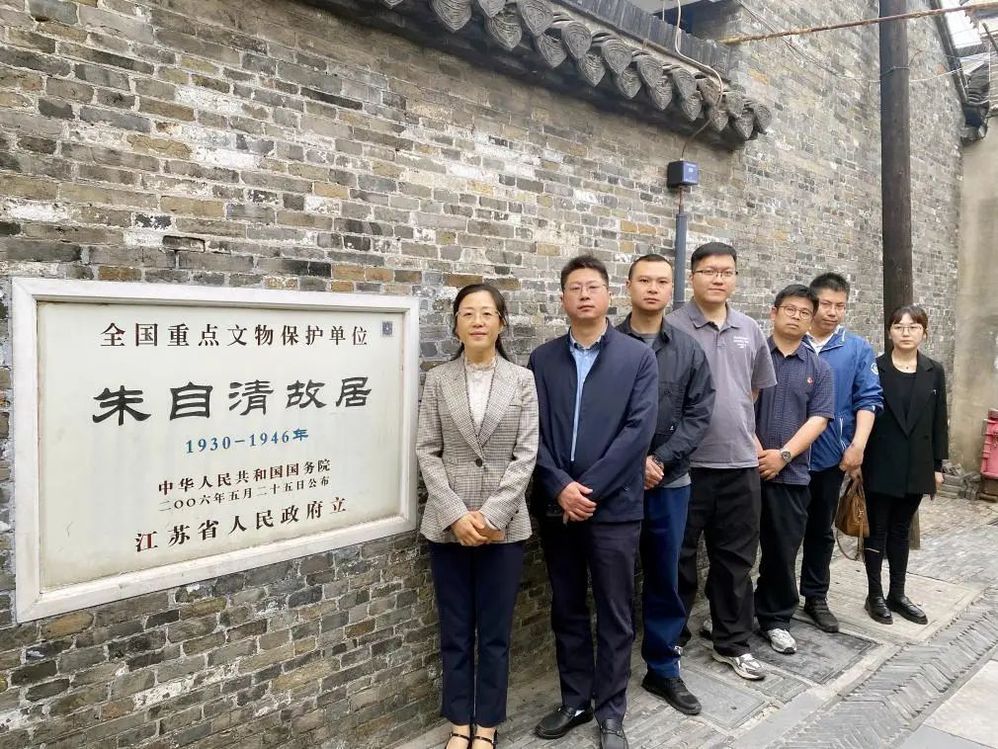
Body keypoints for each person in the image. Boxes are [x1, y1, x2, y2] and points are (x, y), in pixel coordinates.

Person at [529, 255, 658, 749]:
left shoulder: (637, 358)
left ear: (609, 294)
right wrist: (559, 485)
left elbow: (638, 431)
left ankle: (611, 711)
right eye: (575, 288)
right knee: (566, 607)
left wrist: (588, 490)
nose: (584, 295)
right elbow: (532, 433)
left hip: (615, 509)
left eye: (593, 287)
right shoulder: (542, 359)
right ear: (563, 298)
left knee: (615, 611)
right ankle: (575, 700)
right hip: (558, 508)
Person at [416, 283, 540, 749]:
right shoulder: (438, 379)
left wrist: (491, 516)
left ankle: (486, 725)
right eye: (467, 313)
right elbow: (427, 451)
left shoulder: (522, 380)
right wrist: (454, 514)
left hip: (503, 527)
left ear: (501, 322)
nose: (478, 321)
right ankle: (458, 724)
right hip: (448, 526)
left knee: (493, 634)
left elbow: (526, 454)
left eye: (487, 313)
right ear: (456, 325)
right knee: (454, 631)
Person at [666, 241, 777, 682]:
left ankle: (731, 642)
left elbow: (752, 389)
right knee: (678, 558)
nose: (718, 278)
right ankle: (670, 637)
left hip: (739, 465)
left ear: (735, 278)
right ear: (691, 276)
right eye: (709, 271)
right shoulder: (672, 327)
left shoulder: (749, 329)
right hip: (684, 467)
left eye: (726, 272)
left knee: (735, 561)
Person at [617, 254, 714, 715]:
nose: (652, 288)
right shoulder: (608, 344)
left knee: (665, 576)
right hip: (617, 485)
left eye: (661, 281)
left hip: (671, 482)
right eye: (644, 280)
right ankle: (611, 672)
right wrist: (632, 463)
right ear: (629, 286)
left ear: (672, 288)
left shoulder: (688, 350)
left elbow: (699, 414)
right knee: (613, 580)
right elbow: (599, 415)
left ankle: (663, 667)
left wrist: (658, 460)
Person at [753, 285, 834, 655]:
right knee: (735, 551)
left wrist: (783, 456)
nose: (796, 316)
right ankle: (729, 614)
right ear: (774, 312)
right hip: (746, 470)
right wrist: (758, 452)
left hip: (792, 475)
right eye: (790, 309)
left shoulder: (818, 368)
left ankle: (775, 619)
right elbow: (738, 404)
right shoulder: (754, 355)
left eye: (805, 312)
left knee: (782, 553)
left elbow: (819, 418)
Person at [800, 273, 883, 633]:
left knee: (820, 530)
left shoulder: (856, 348)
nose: (833, 312)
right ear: (812, 302)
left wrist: (857, 445)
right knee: (779, 531)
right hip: (785, 455)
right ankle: (773, 597)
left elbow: (868, 399)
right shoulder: (790, 338)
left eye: (840, 306)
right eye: (826, 304)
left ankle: (815, 596)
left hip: (829, 457)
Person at [861, 305, 947, 626]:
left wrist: (937, 466)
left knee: (901, 530)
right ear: (889, 332)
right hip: (880, 462)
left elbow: (939, 420)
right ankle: (874, 595)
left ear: (924, 332)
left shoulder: (934, 370)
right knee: (877, 531)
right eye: (899, 326)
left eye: (913, 327)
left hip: (917, 465)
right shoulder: (875, 367)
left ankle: (897, 593)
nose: (906, 333)